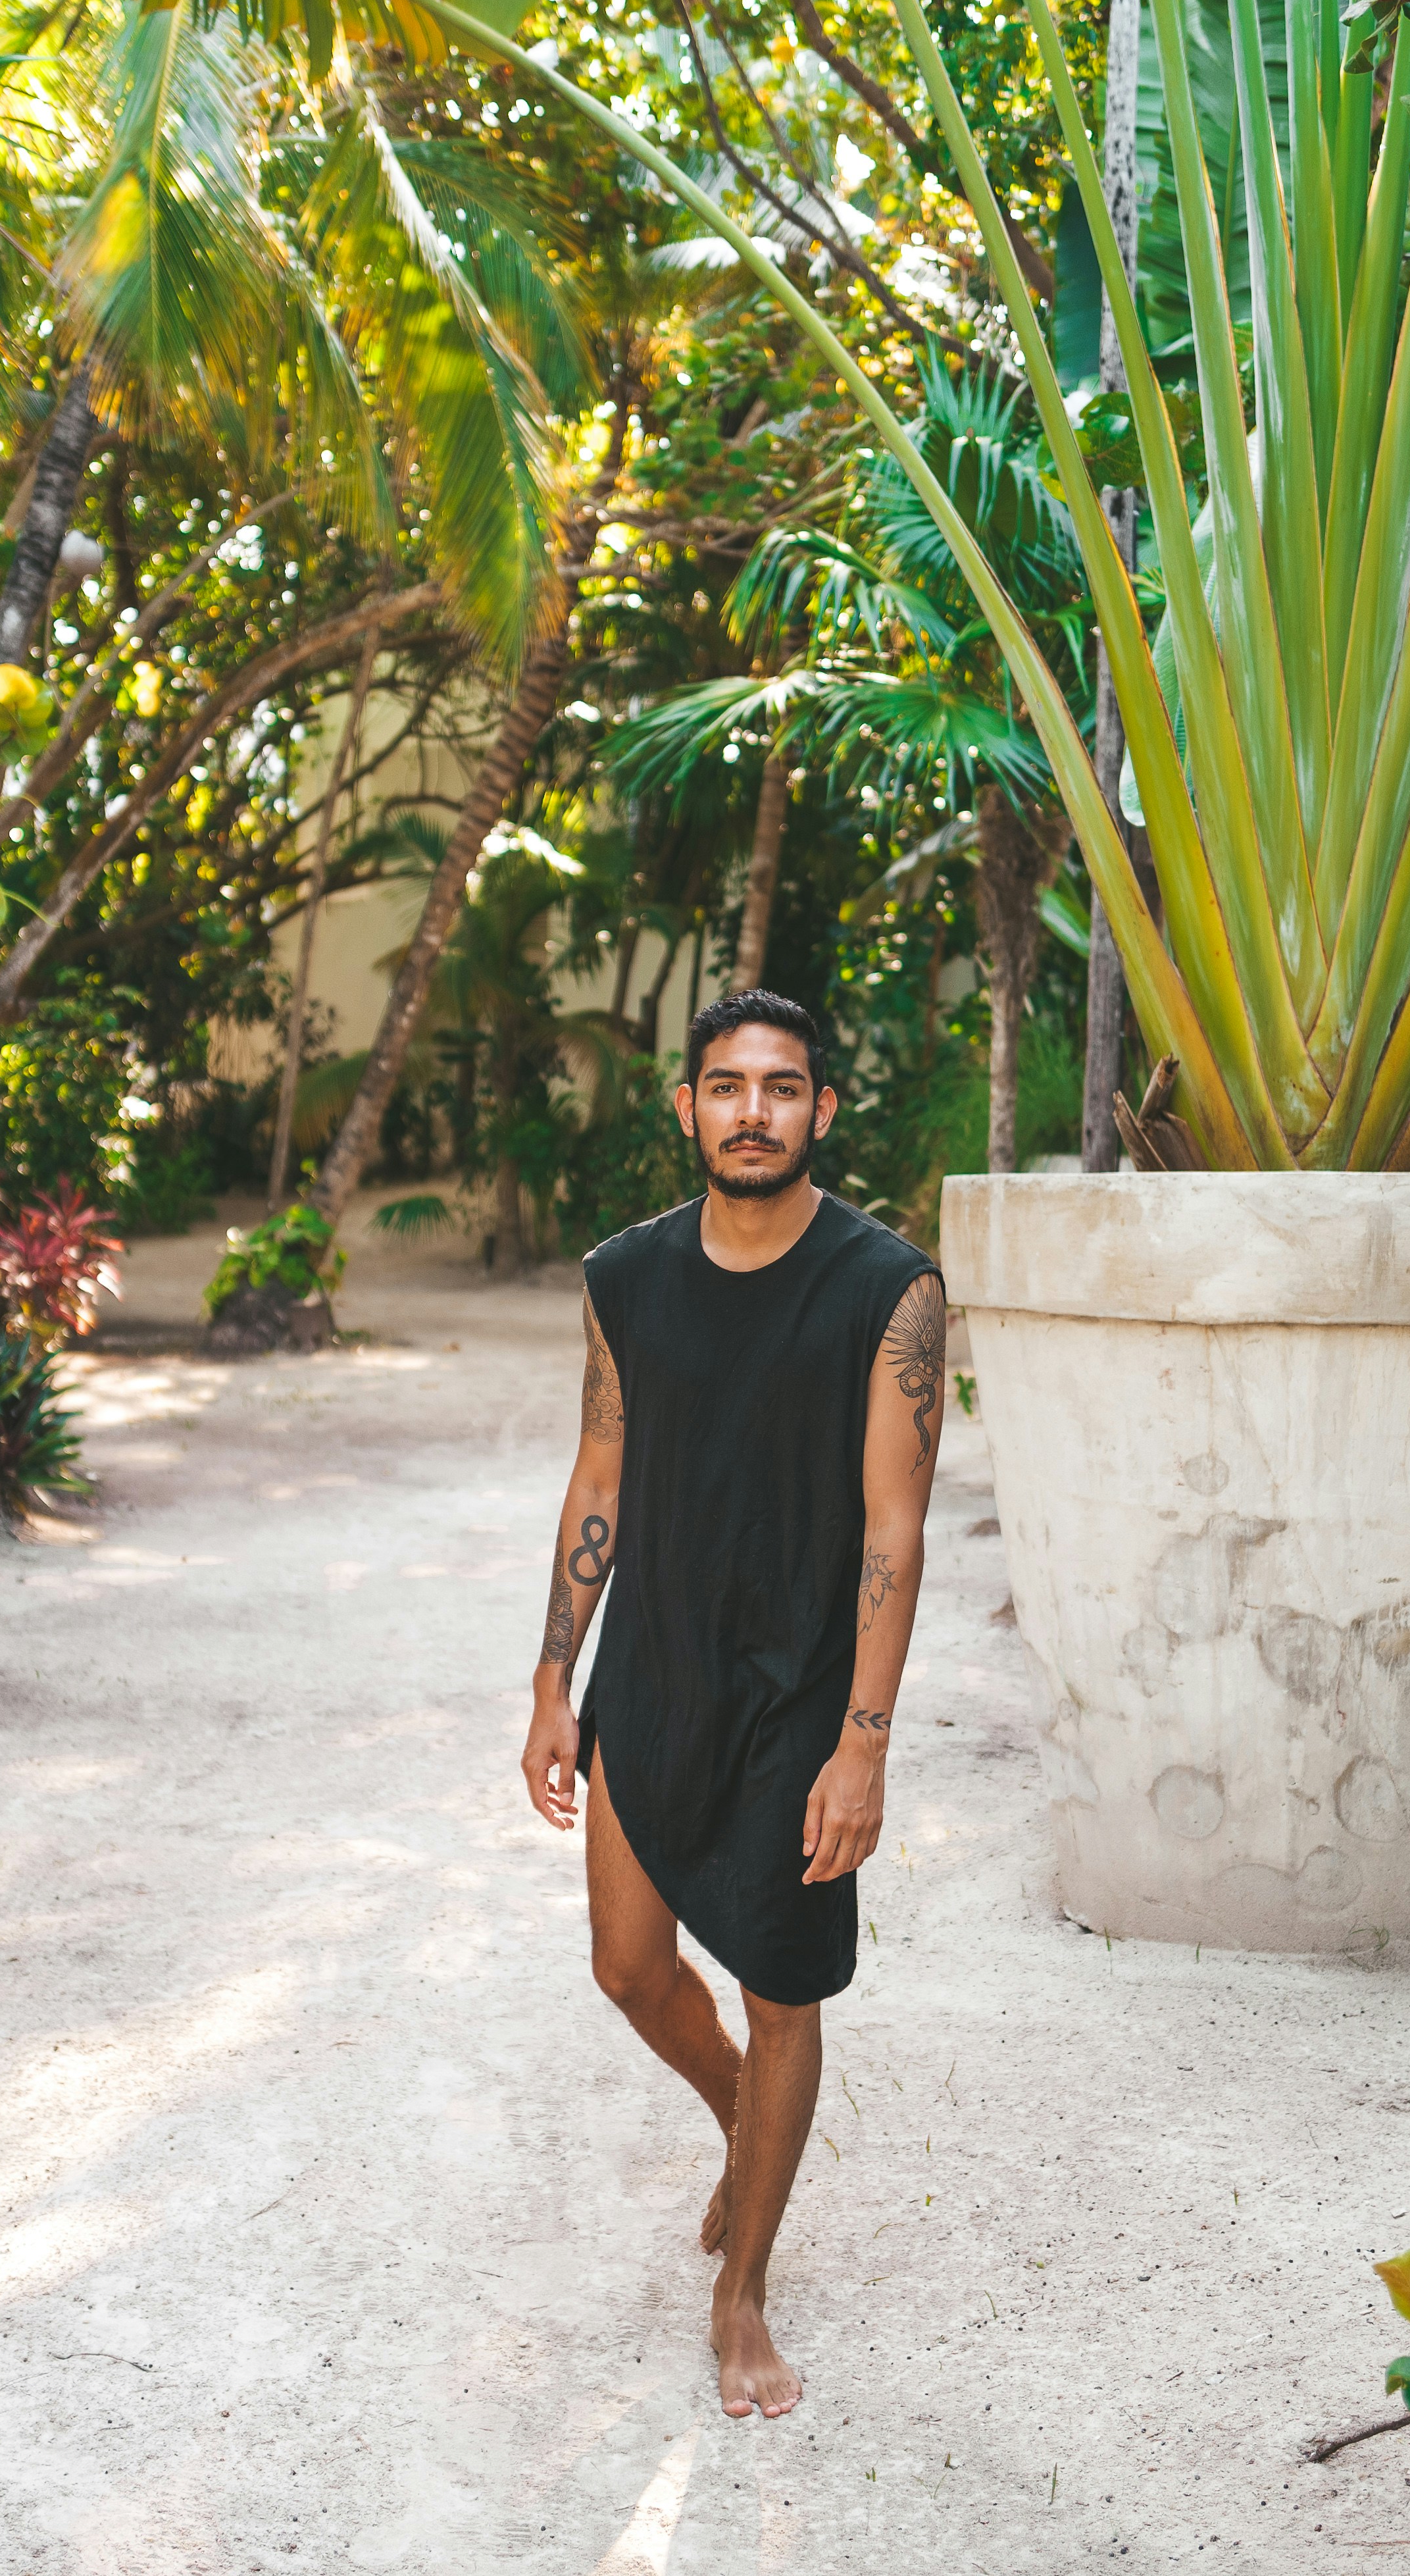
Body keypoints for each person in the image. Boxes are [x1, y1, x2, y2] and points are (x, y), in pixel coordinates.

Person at [522, 989, 946, 2421]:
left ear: (823, 1110)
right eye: (725, 1085)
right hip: (652, 1666)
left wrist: (864, 1745)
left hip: (797, 1695)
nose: (751, 1109)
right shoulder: (625, 1277)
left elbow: (896, 1527)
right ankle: (739, 2124)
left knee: (784, 1992)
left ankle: (743, 2287)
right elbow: (600, 1477)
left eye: (781, 1087)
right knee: (629, 1966)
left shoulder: (887, 1286)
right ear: (687, 1106)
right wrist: (551, 1679)